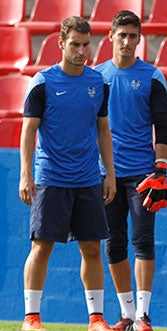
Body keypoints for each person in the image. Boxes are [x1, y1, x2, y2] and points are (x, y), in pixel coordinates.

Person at [19, 16, 116, 331]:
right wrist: (25, 174)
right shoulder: (43, 82)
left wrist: (109, 174)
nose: (81, 51)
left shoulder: (97, 83)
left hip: (88, 178)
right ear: (61, 44)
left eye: (86, 44)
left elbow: (103, 130)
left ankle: (96, 319)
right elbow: (28, 130)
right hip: (50, 178)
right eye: (75, 44)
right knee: (42, 245)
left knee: (91, 247)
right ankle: (31, 318)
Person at [94, 10, 167, 331]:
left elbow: (163, 131)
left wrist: (161, 171)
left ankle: (142, 316)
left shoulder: (153, 76)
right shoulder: (96, 77)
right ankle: (125, 315)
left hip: (142, 173)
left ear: (141, 39)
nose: (127, 40)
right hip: (104, 173)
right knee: (113, 244)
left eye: (132, 35)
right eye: (121, 34)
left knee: (143, 241)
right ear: (110, 36)